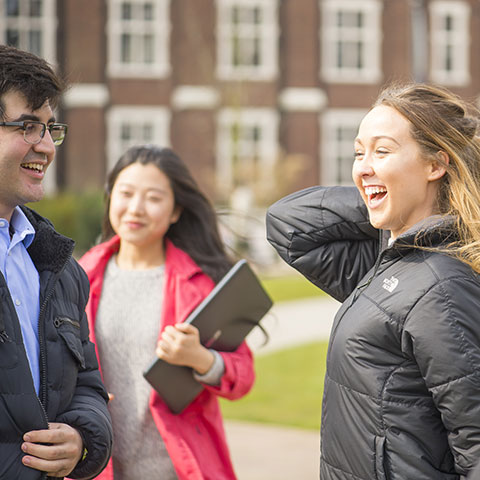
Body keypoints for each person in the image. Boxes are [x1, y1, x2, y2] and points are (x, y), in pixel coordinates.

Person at [266, 83, 480, 479]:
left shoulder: (444, 285)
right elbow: (288, 225)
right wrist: (383, 197)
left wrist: (399, 201)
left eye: (382, 151)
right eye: (359, 153)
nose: (362, 166)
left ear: (436, 165)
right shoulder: (389, 260)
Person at [79, 145, 255, 479]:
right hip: (97, 467)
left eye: (154, 198)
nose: (136, 208)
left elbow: (243, 375)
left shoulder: (198, 285)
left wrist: (200, 359)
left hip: (179, 468)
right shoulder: (77, 279)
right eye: (126, 193)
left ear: (176, 211)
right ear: (110, 198)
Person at [0, 44, 113, 479]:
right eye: (27, 126)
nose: (46, 146)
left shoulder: (61, 268)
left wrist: (81, 439)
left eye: (50, 128)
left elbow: (88, 384)